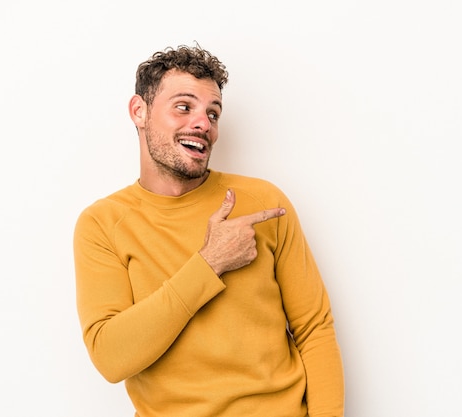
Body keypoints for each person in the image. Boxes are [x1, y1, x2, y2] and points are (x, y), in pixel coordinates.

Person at [73, 44, 344, 417]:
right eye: (184, 107)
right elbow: (110, 358)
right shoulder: (102, 224)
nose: (203, 123)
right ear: (140, 111)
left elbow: (315, 328)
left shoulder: (262, 202)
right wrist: (209, 262)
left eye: (212, 113)